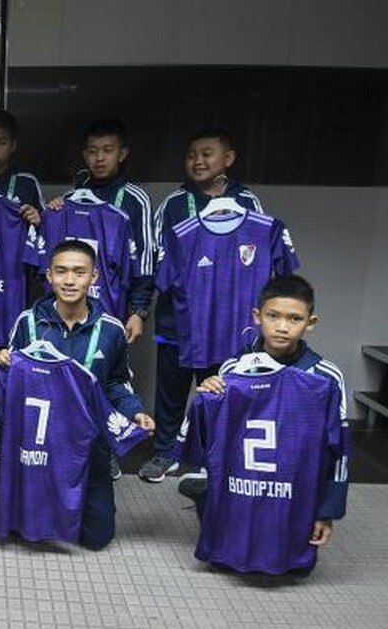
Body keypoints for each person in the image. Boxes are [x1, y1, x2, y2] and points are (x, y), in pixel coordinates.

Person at [0, 240, 154, 550]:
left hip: (87, 442)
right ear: (49, 276)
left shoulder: (110, 330)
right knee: (22, 530)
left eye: (79, 272)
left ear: (94, 277)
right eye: (61, 271)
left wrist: (135, 411)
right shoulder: (27, 322)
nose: (69, 280)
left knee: (97, 538)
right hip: (37, 441)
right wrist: (2, 364)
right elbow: (13, 381)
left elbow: (116, 383)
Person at [182, 275, 349, 551]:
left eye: (294, 319)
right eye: (273, 316)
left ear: (311, 322)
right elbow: (215, 438)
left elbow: (340, 451)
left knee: (292, 563)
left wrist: (327, 511)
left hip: (294, 484)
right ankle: (205, 495)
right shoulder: (232, 369)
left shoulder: (325, 378)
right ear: (257, 316)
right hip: (243, 478)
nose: (282, 327)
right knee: (228, 552)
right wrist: (207, 397)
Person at [139, 127, 267, 482]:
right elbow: (155, 263)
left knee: (221, 391)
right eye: (192, 154)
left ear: (228, 159)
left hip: (228, 324)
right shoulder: (174, 204)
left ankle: (217, 456)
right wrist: (143, 309)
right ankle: (165, 452)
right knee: (171, 391)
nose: (198, 161)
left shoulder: (249, 203)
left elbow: (260, 262)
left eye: (207, 153)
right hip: (177, 322)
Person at [46, 118, 154, 343]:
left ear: (122, 154)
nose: (100, 158)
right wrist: (49, 215)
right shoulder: (66, 202)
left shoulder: (135, 200)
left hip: (110, 313)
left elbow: (144, 262)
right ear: (85, 155)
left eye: (107, 150)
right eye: (93, 151)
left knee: (105, 374)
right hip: (63, 314)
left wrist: (138, 312)